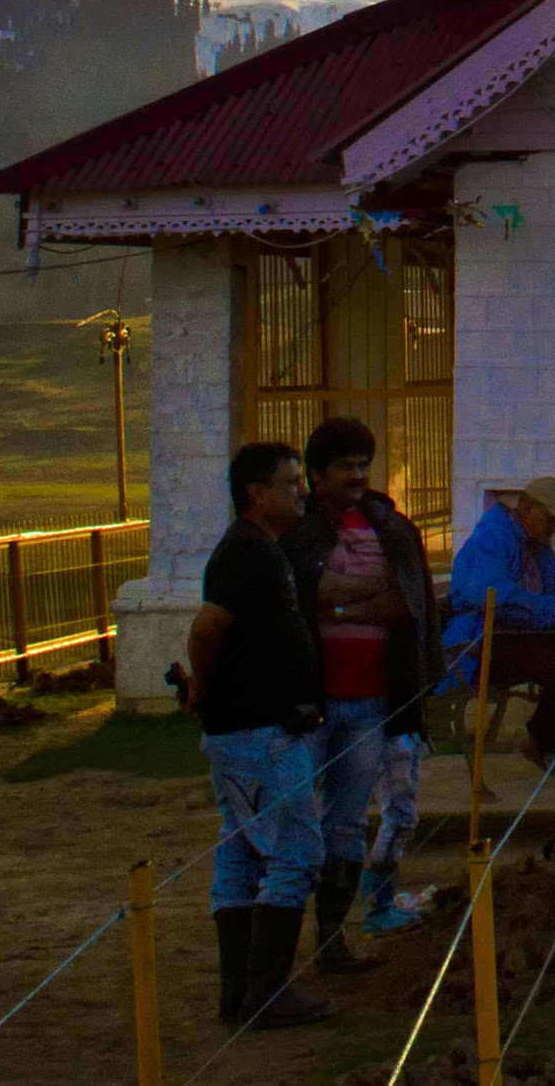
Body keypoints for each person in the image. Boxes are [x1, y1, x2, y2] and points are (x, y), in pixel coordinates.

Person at [178, 441, 336, 1030]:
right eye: (291, 483)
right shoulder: (249, 553)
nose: (301, 491)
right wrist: (205, 688)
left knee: (242, 851)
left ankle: (240, 992)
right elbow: (205, 630)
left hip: (251, 727)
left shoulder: (257, 549)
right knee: (295, 851)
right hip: (259, 731)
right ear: (257, 493)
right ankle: (267, 994)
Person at [287, 415, 438, 952]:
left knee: (347, 825)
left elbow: (406, 602)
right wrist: (357, 596)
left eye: (362, 465)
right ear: (316, 473)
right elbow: (305, 595)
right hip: (306, 703)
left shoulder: (390, 530)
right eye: (344, 466)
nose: (356, 475)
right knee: (293, 824)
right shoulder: (297, 532)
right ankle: (284, 943)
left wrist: (340, 601)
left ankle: (332, 939)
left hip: (371, 701)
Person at [441, 473, 555, 765]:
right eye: (550, 519)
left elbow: (550, 591)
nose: (554, 529)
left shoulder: (535, 544)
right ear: (527, 508)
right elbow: (490, 596)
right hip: (481, 641)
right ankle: (543, 740)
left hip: (516, 635)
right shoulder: (495, 535)